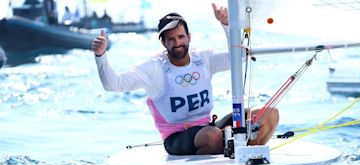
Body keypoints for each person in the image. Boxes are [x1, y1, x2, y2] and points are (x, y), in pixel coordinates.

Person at [92, 3, 279, 155]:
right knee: (212, 137)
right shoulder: (154, 69)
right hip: (176, 138)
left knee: (269, 115)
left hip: (208, 128)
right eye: (171, 39)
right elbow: (113, 84)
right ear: (163, 42)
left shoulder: (203, 59)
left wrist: (227, 26)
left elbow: (238, 59)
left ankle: (247, 164)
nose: (177, 43)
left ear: (189, 37)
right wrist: (101, 56)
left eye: (181, 37)